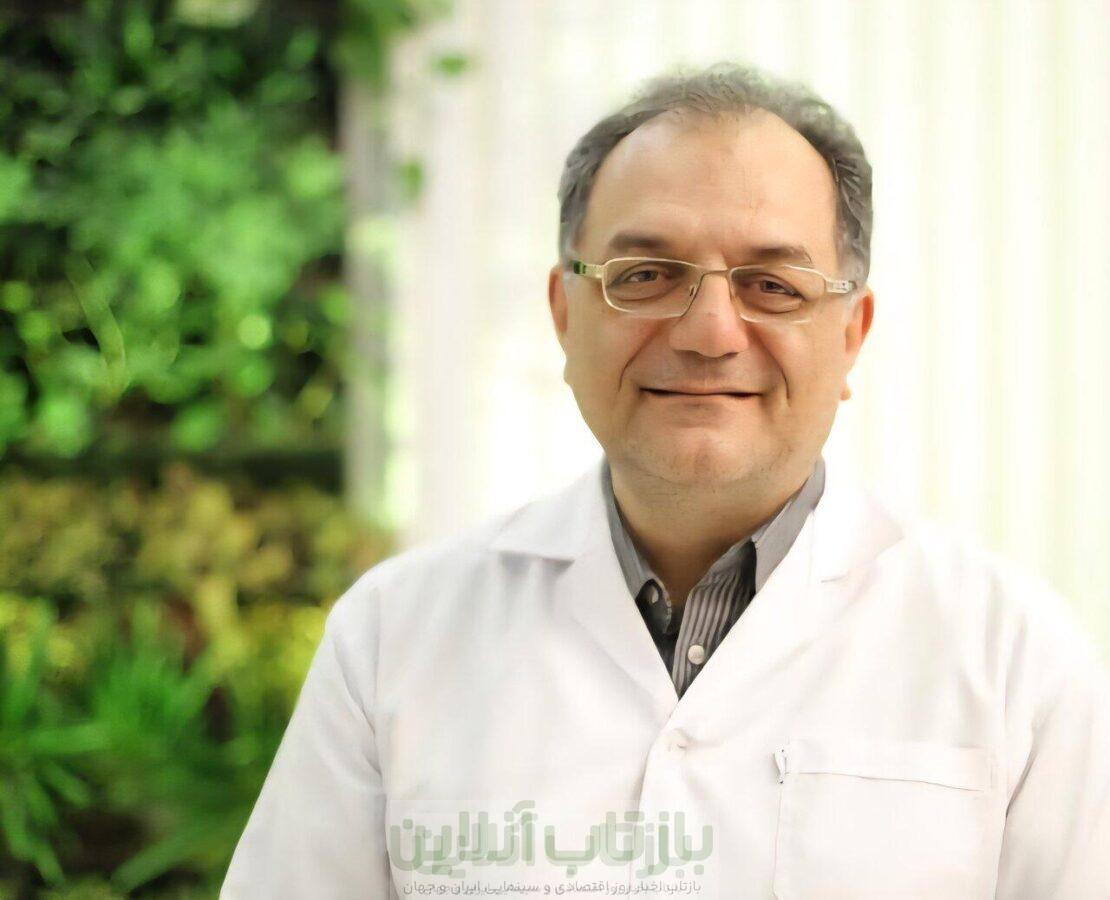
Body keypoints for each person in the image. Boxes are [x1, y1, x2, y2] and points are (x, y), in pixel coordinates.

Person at [220, 63, 1110, 899]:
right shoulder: (394, 638)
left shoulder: (1014, 660)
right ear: (565, 314)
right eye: (646, 276)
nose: (710, 332)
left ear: (850, 335)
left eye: (772, 284)